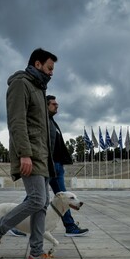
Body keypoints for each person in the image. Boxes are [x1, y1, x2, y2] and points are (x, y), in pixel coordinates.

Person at [0, 48, 65, 259]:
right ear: (37, 64)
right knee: (37, 199)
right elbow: (17, 122)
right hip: (31, 155)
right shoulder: (21, 84)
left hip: (43, 157)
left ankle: (36, 253)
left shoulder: (38, 89)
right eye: (49, 68)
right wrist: (24, 154)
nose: (52, 73)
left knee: (42, 205)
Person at [47, 95, 89, 236]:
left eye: (57, 103)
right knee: (33, 198)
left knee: (65, 199)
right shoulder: (44, 122)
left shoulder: (53, 123)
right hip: (49, 165)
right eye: (53, 104)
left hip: (58, 166)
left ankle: (70, 227)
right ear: (45, 106)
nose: (56, 105)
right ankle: (15, 225)